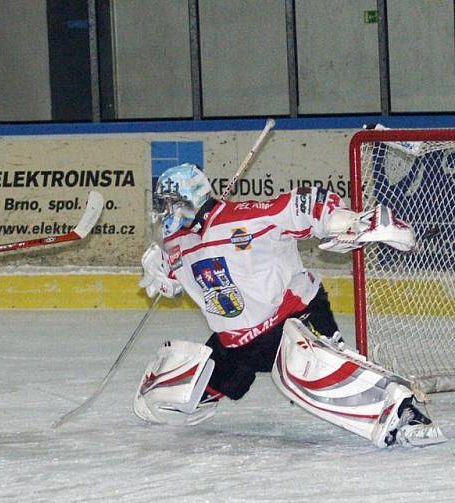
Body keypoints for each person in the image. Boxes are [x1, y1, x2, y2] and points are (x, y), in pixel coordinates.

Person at [135, 163, 445, 448]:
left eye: (168, 203)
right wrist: (157, 269)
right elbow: (174, 280)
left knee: (316, 372)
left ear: (188, 199)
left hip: (293, 317)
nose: (163, 211)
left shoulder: (245, 217)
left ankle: (403, 414)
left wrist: (353, 221)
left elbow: (306, 206)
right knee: (180, 393)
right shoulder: (179, 242)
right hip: (237, 342)